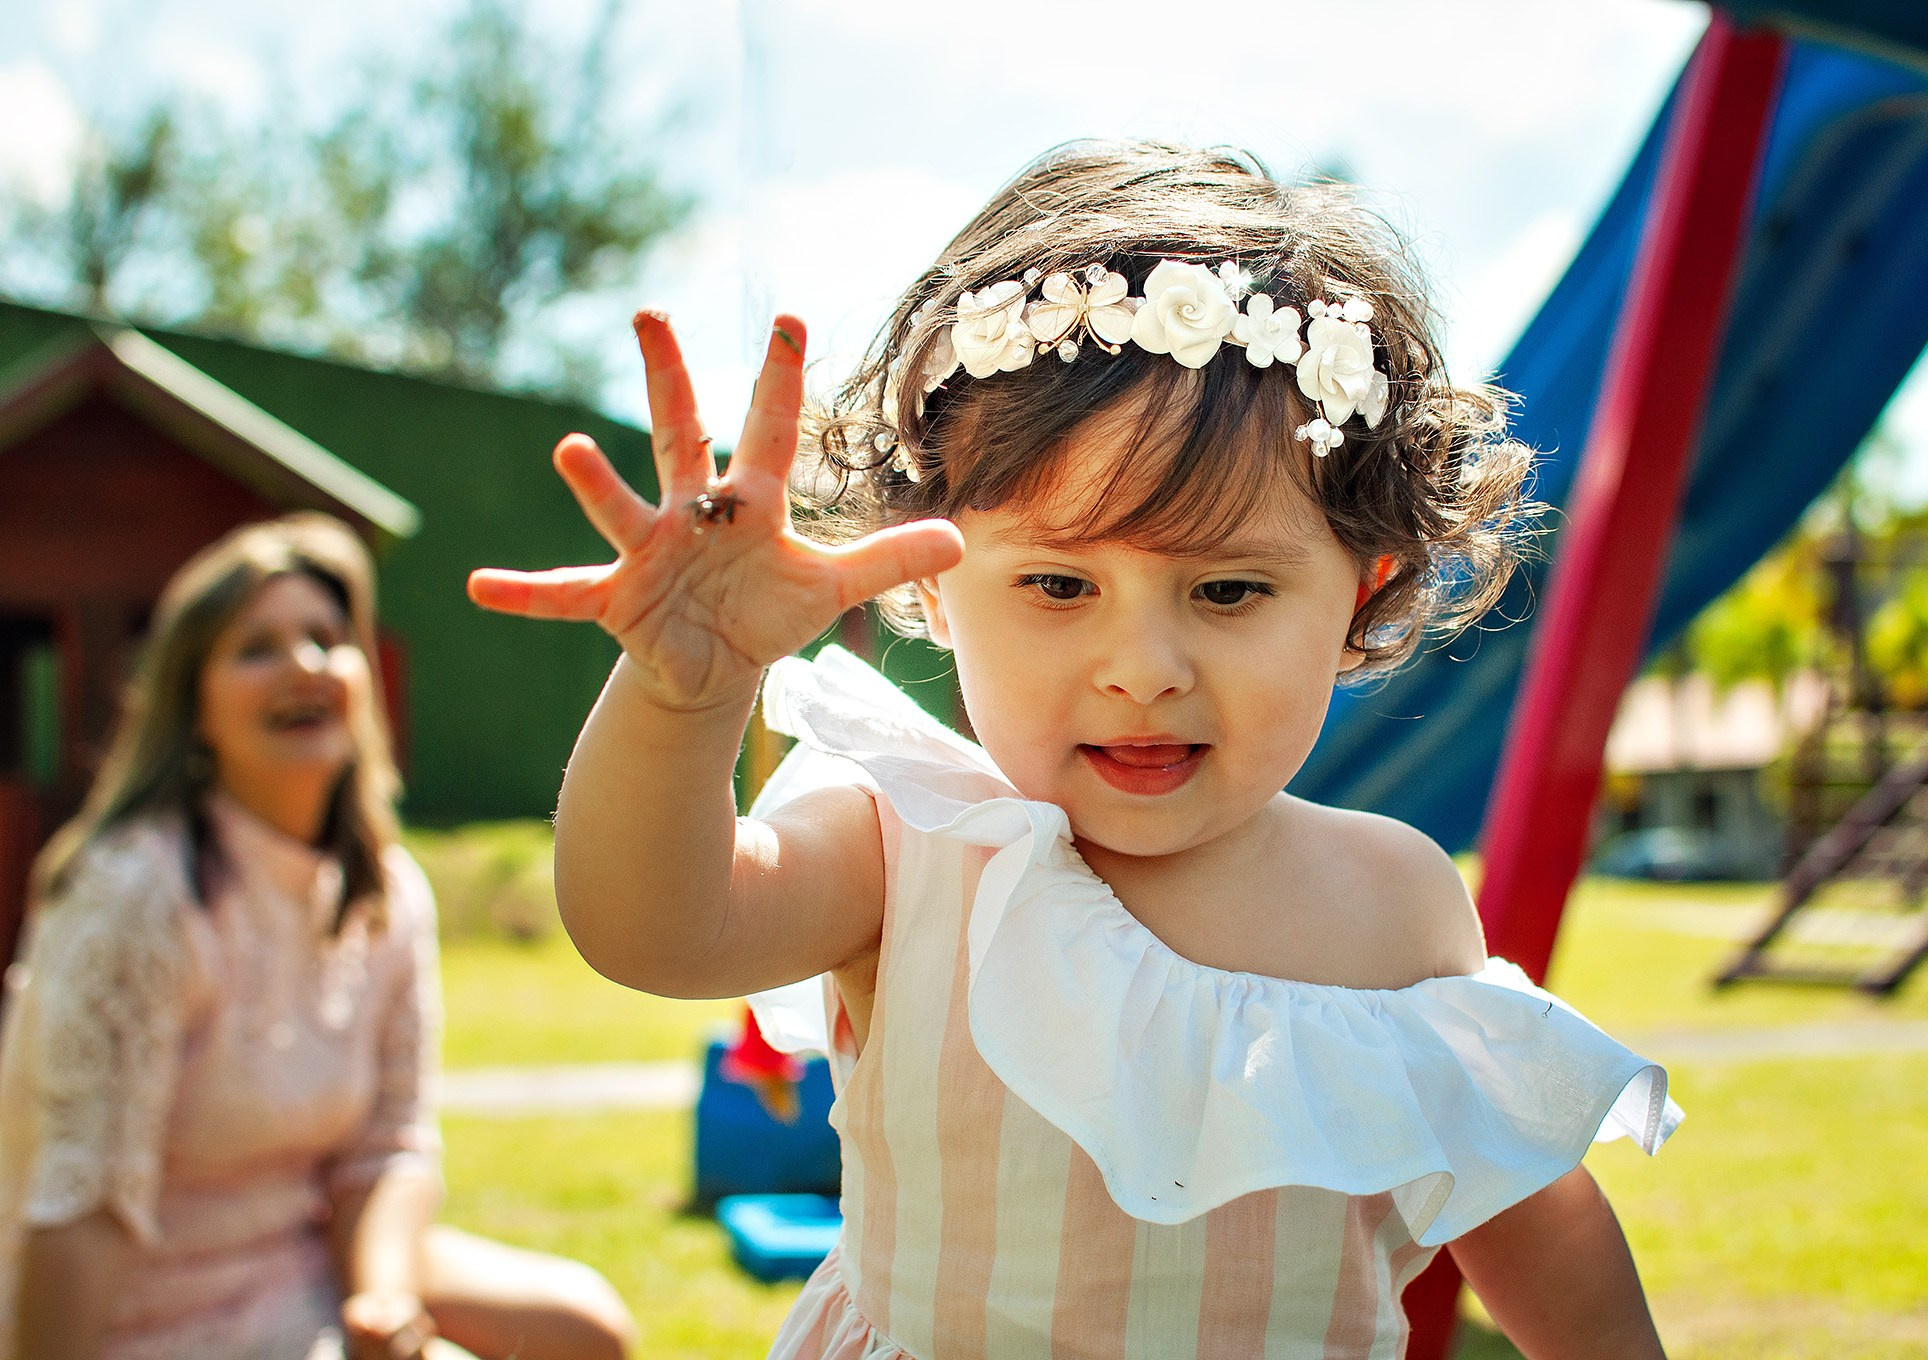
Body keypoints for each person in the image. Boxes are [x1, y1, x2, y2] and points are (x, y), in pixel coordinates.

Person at [471, 141, 1683, 1358]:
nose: (1142, 666)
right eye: (1057, 582)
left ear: (1360, 598)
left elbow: (1522, 1203)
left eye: (1225, 592)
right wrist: (687, 695)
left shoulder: (1389, 901)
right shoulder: (906, 839)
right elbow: (650, 928)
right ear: (935, 585)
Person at [1, 515, 636, 1360]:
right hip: (143, 1308)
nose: (304, 663)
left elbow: (390, 1148)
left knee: (589, 1328)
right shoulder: (135, 893)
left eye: (327, 639)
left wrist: (380, 1297)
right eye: (256, 646)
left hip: (304, 1260)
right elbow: (82, 1205)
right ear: (193, 708)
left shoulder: (387, 893)